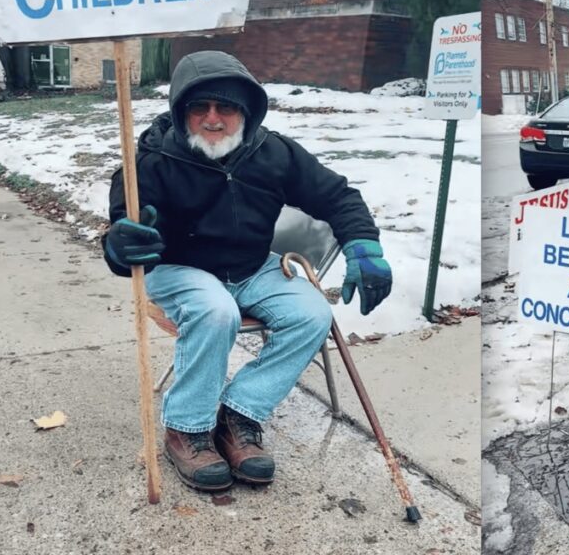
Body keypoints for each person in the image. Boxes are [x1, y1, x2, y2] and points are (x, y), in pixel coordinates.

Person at [102, 50, 392, 492]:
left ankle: (239, 415)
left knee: (313, 314)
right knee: (217, 311)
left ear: (247, 112)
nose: (213, 119)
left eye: (227, 107)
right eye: (200, 107)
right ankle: (186, 427)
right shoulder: (149, 162)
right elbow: (123, 239)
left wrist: (364, 246)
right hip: (179, 268)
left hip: (253, 267)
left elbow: (337, 196)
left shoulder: (273, 152)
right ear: (181, 112)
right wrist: (121, 246)